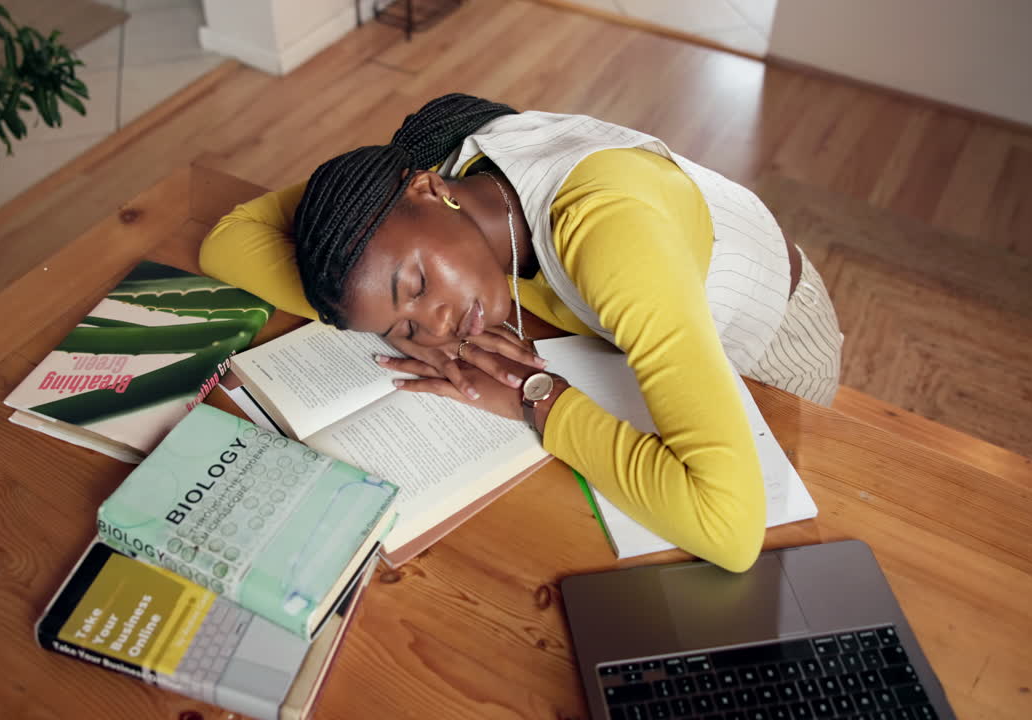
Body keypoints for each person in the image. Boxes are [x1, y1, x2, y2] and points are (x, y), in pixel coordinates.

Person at [199, 94, 842, 572]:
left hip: (770, 343)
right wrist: (397, 323)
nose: (439, 328)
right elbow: (227, 242)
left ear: (427, 187)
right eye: (404, 329)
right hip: (628, 322)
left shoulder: (607, 235)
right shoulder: (432, 183)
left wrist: (535, 398)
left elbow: (729, 530)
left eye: (419, 286)